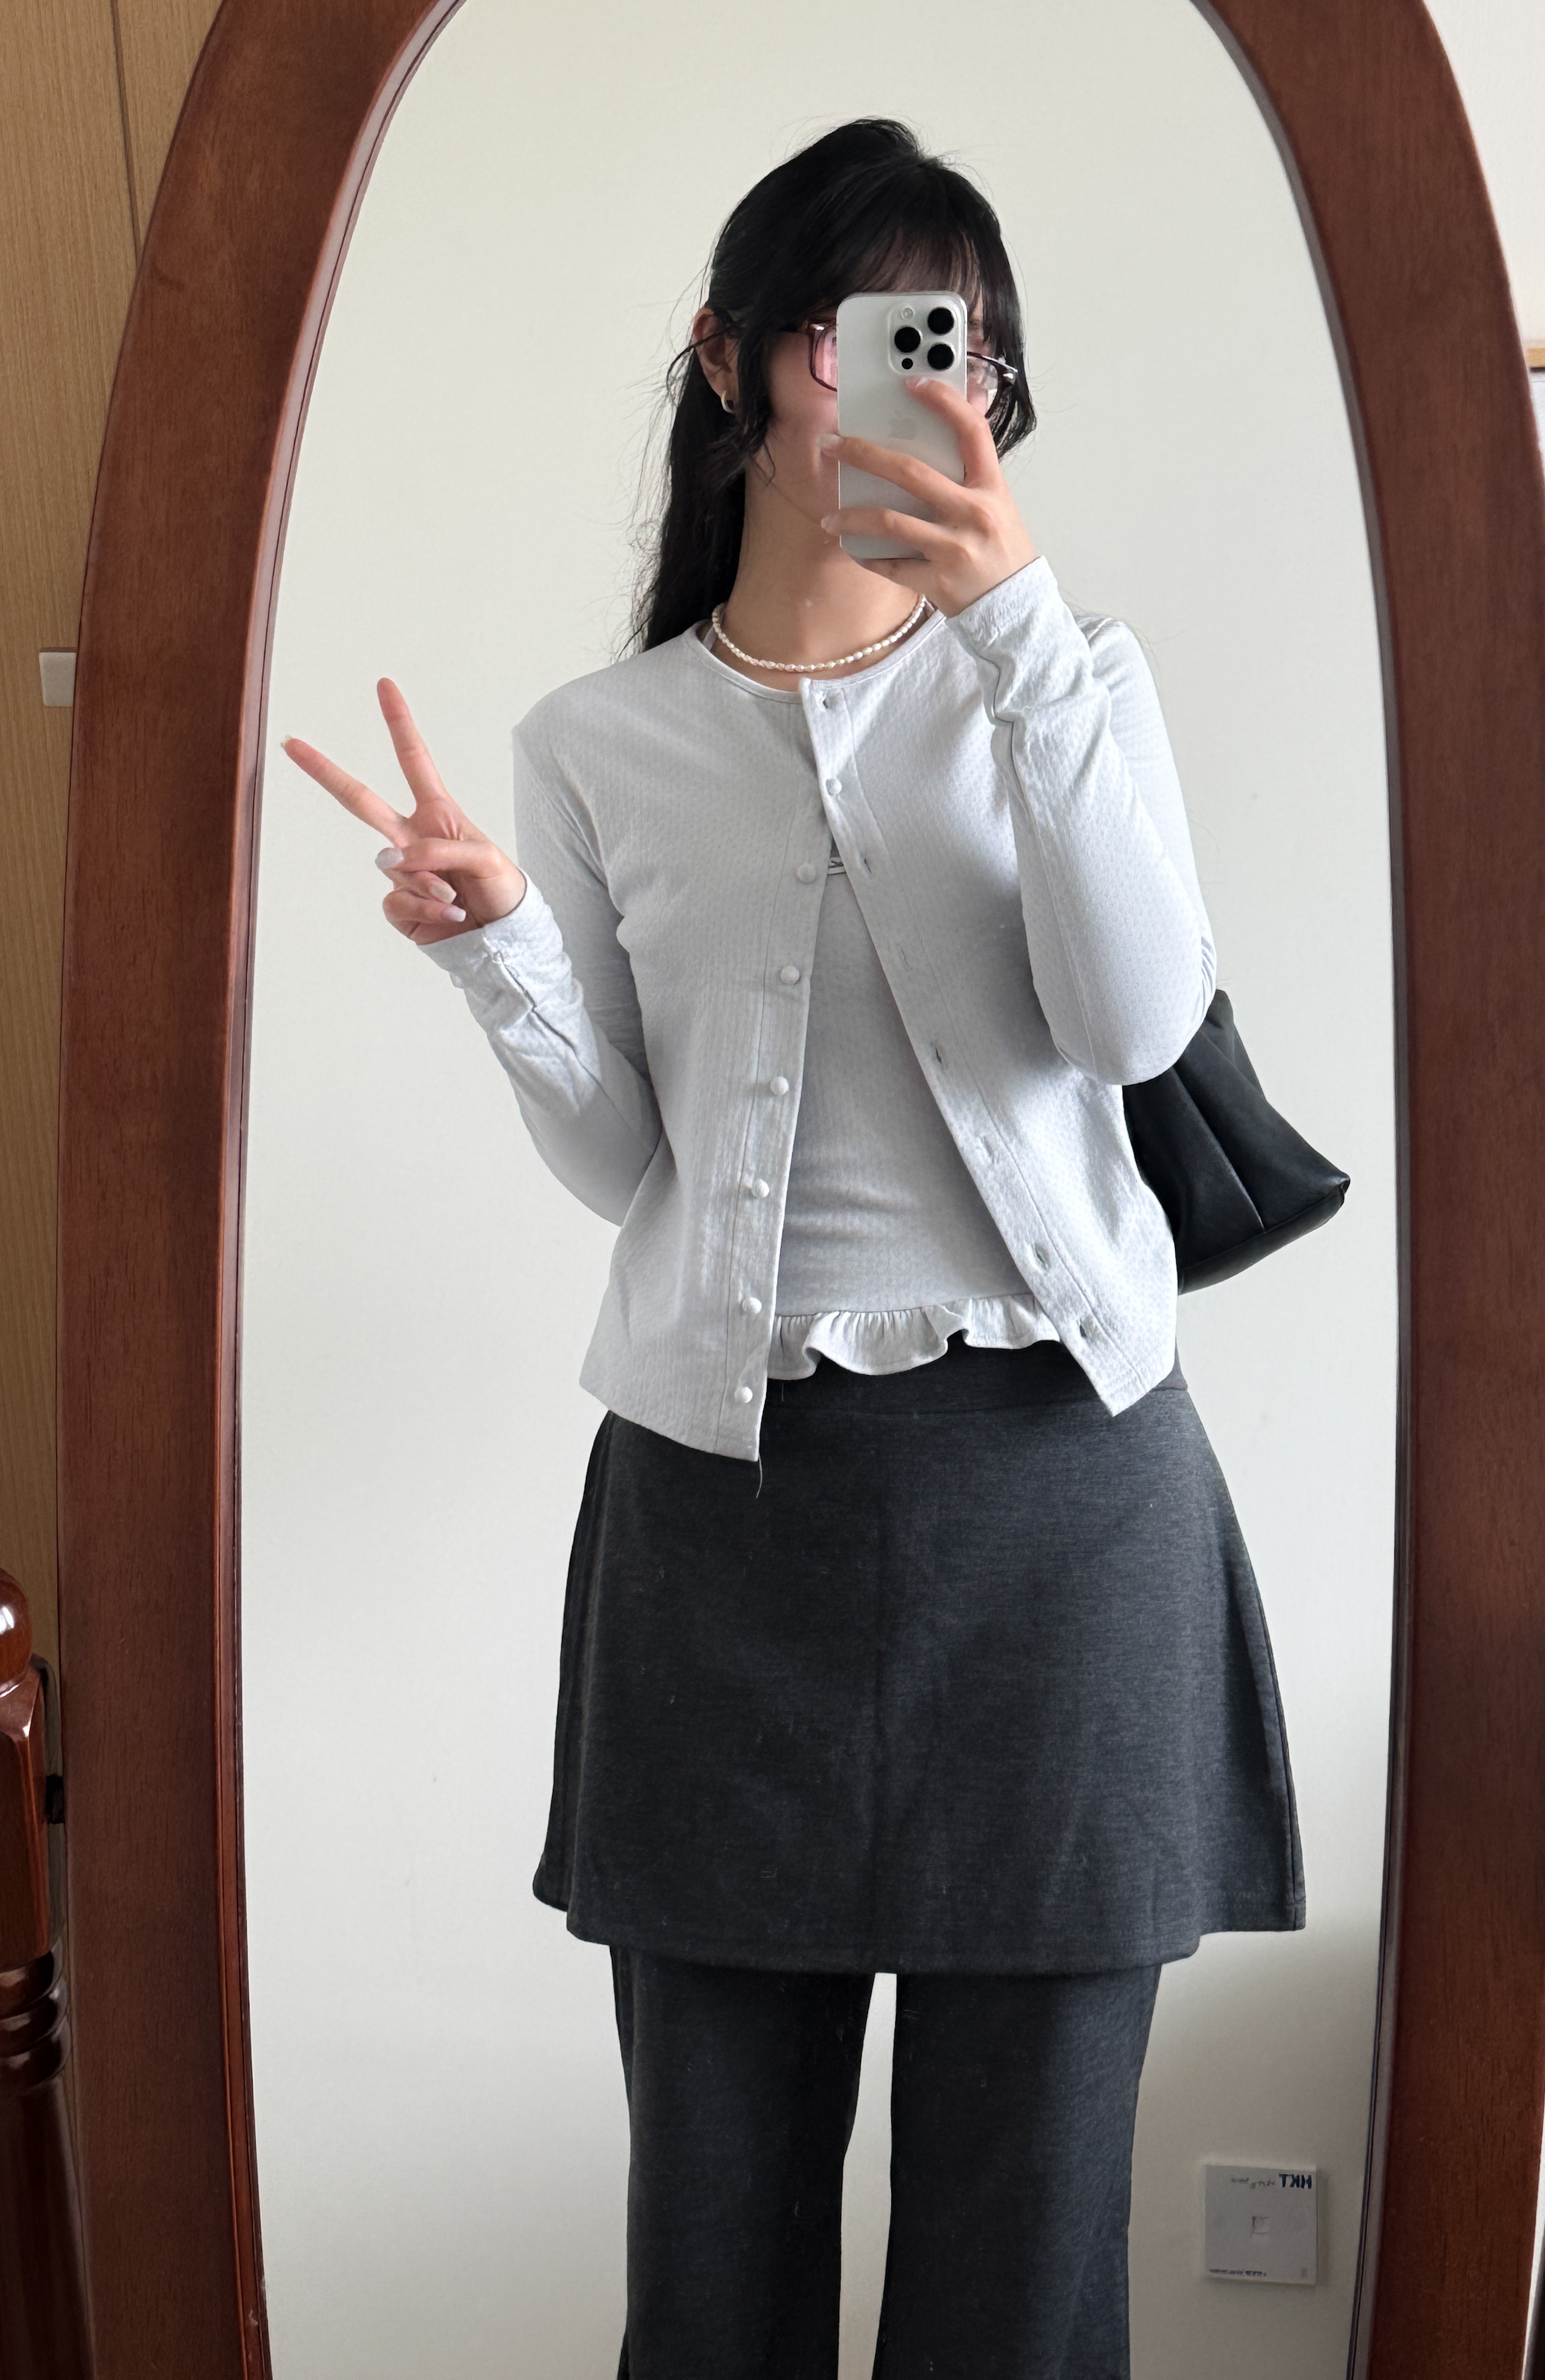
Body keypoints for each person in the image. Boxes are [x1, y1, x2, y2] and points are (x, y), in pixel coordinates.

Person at [285, 118, 1302, 2380]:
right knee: (711, 2254)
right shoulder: (596, 745)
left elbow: (1135, 1022)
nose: (928, 382)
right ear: (732, 355)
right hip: (723, 1527)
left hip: (1064, 1513)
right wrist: (498, 948)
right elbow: (625, 1158)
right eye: (868, 333)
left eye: (965, 350)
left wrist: (1015, 630)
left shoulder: (1071, 679)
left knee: (1021, 2281)